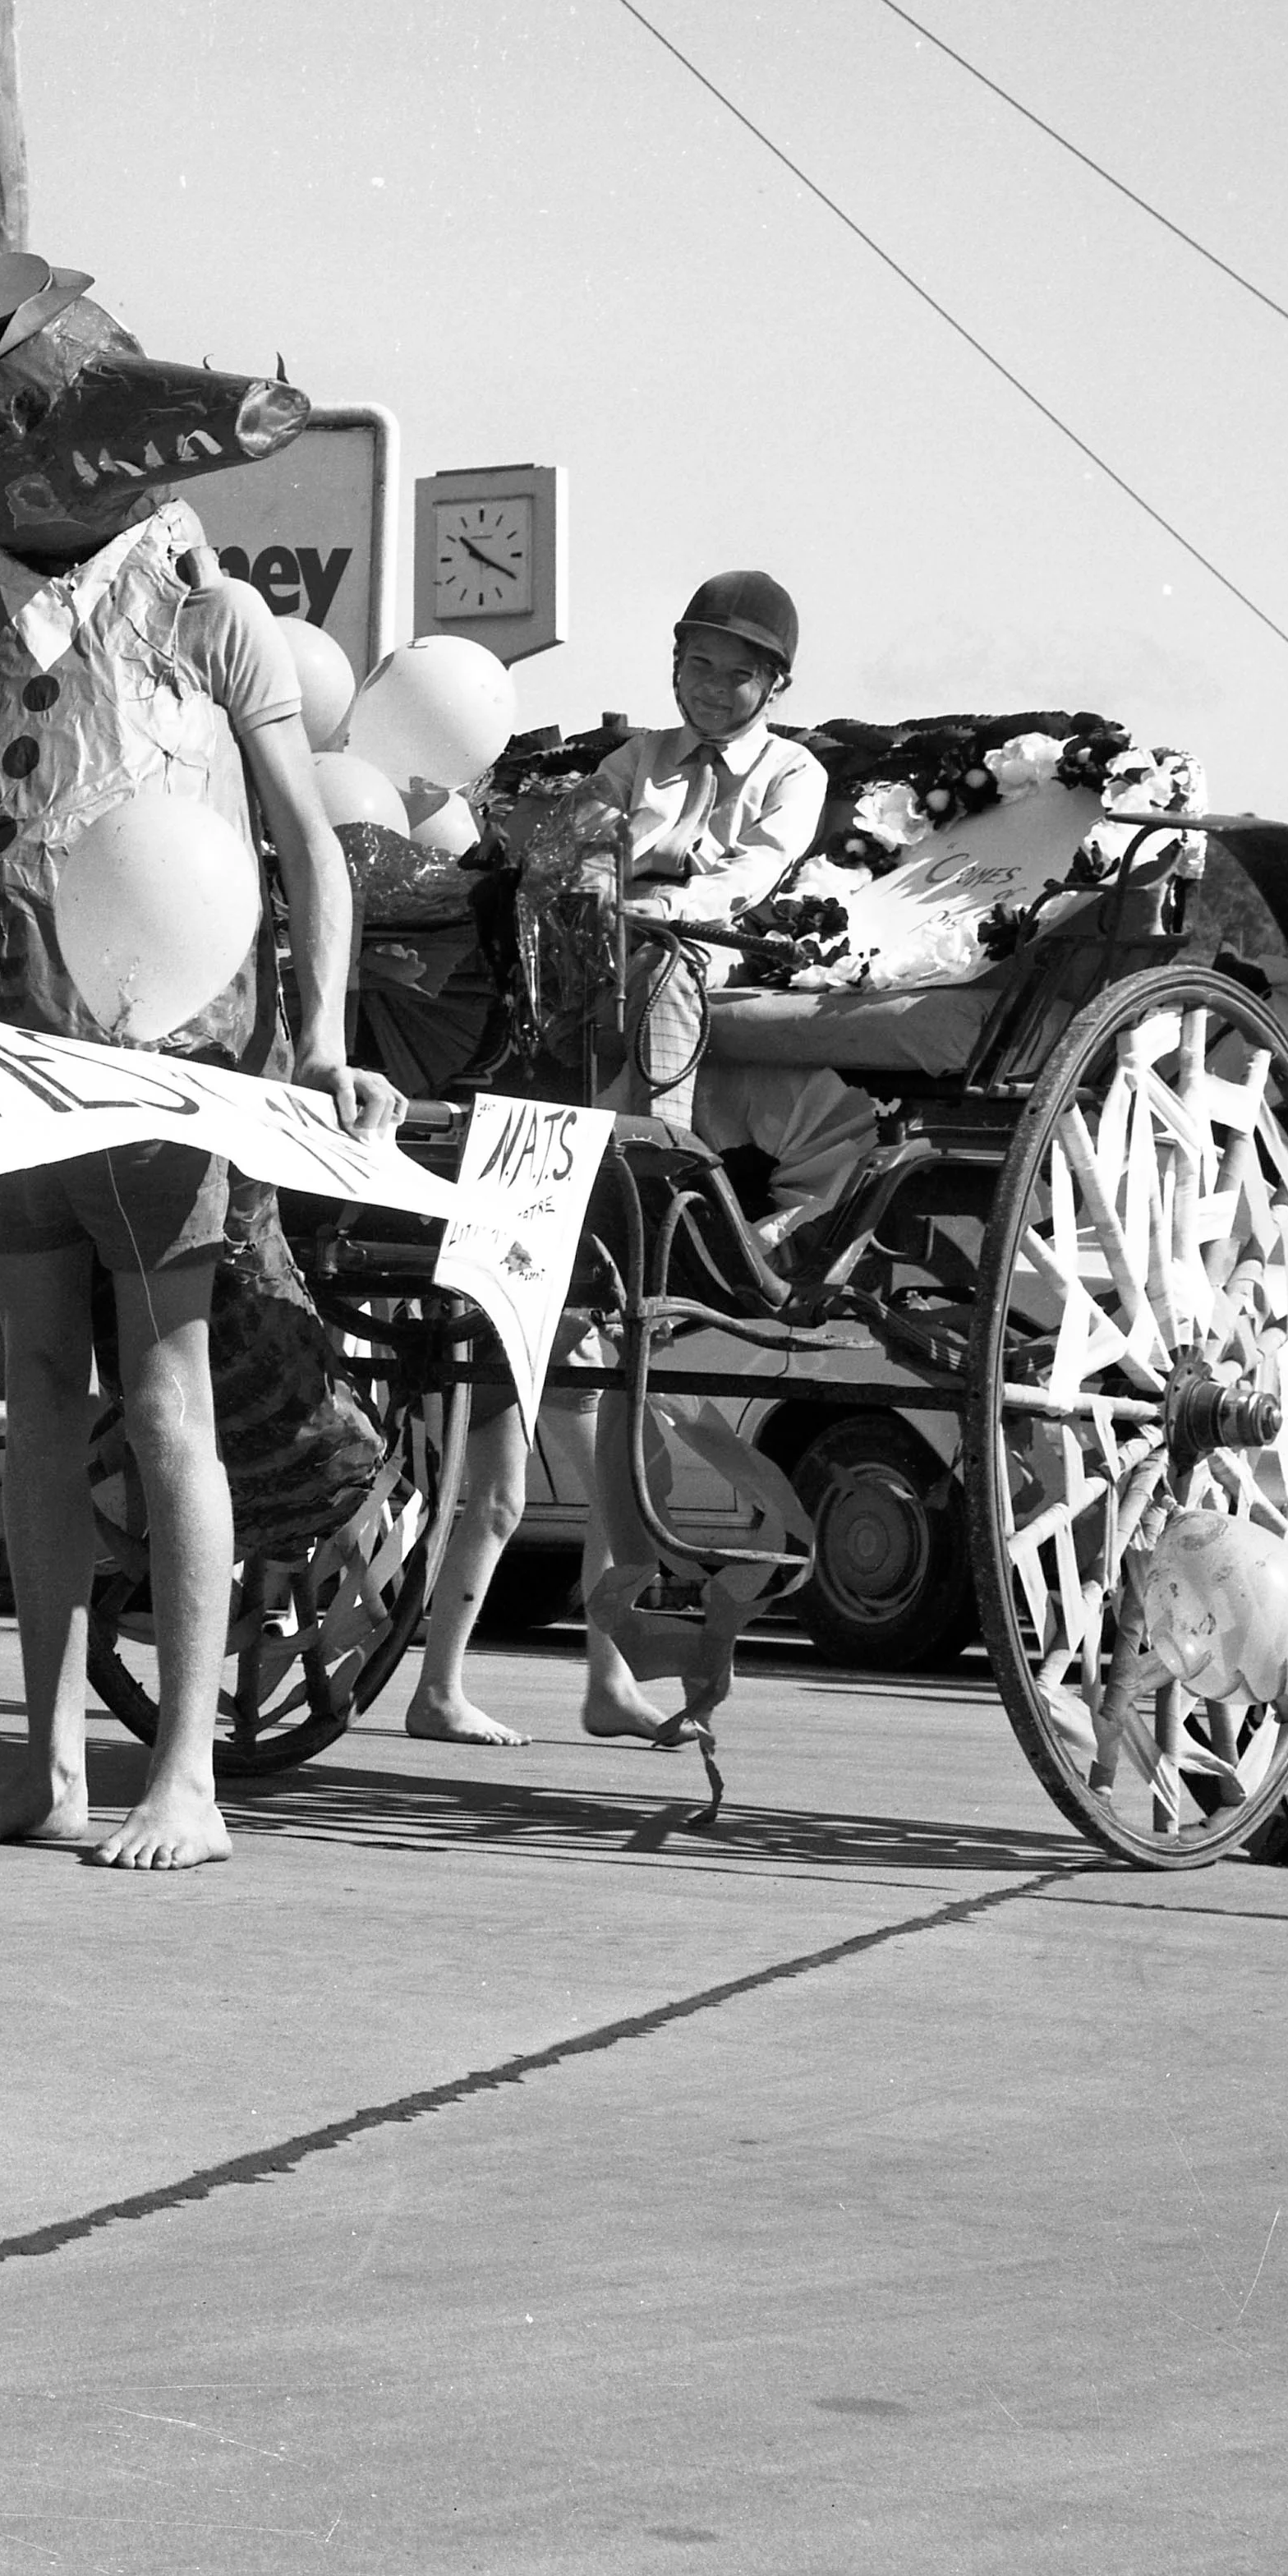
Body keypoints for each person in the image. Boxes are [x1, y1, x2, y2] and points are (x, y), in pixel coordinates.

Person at [0, 251, 399, 1872]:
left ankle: (188, 1774)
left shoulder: (215, 617)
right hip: (3, 1055)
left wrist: (328, 1036)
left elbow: (305, 844)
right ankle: (50, 1763)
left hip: (160, 1063)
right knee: (35, 1396)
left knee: (164, 1393)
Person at [397, 570, 823, 1752]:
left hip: (675, 985)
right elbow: (577, 858)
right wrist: (631, 876)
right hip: (568, 1055)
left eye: (739, 670)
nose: (714, 684)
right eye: (698, 660)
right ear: (676, 658)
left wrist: (661, 880)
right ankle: (442, 1687)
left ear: (775, 685)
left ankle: (595, 1680)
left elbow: (742, 882)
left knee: (594, 1447)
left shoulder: (793, 773)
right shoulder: (633, 761)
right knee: (511, 1447)